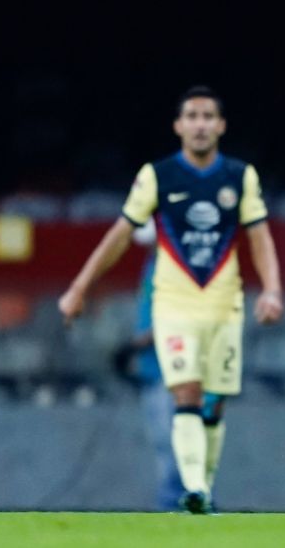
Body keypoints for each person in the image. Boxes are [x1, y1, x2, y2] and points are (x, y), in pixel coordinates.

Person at [59, 86, 283, 514]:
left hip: (223, 308)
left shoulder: (240, 177)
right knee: (187, 395)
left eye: (207, 117)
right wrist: (79, 288)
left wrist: (272, 290)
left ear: (220, 125)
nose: (199, 124)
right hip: (175, 309)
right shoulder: (156, 176)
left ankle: (203, 488)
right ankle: (194, 488)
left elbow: (259, 237)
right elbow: (119, 235)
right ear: (179, 126)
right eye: (191, 117)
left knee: (213, 403)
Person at [110, 219, 186, 510]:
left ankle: (179, 502)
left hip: (171, 371)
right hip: (153, 371)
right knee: (163, 442)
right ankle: (175, 503)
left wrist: (133, 346)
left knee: (174, 442)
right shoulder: (153, 266)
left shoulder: (172, 270)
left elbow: (170, 320)